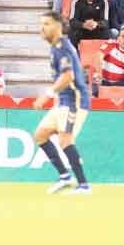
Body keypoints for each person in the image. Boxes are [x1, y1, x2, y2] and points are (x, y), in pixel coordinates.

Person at [31, 12, 92, 195]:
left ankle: (83, 185)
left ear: (58, 26)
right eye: (41, 24)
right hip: (64, 101)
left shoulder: (63, 47)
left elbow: (68, 76)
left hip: (75, 100)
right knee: (41, 135)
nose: (42, 28)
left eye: (47, 24)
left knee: (65, 139)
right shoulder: (55, 47)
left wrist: (47, 95)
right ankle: (65, 176)